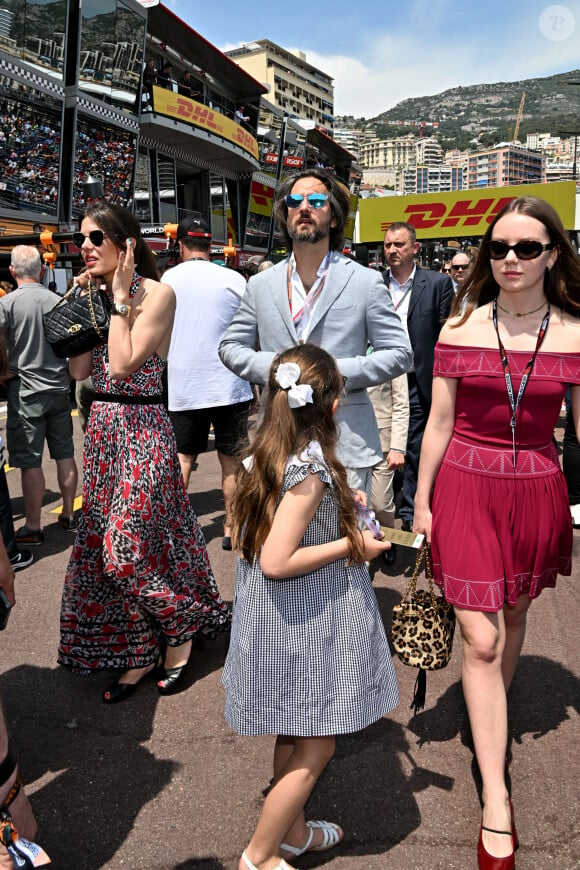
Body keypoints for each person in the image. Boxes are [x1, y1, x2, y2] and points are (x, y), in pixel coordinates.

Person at [413, 195, 580, 870]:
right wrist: (421, 504)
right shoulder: (459, 324)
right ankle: (497, 796)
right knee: (480, 638)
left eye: (527, 248)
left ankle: (490, 711)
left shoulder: (574, 332)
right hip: (464, 485)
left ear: (553, 254)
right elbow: (440, 423)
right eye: (499, 247)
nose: (510, 259)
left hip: (537, 487)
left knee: (511, 615)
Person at [222, 344, 399, 870]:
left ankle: (292, 832)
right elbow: (278, 559)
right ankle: (259, 855)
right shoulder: (311, 466)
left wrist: (347, 506)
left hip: (278, 620)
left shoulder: (266, 451)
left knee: (294, 728)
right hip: (303, 624)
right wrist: (353, 545)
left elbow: (269, 530)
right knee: (317, 748)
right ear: (335, 403)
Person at [58, 203, 230, 703]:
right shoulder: (93, 293)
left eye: (95, 238)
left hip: (146, 429)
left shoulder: (159, 293)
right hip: (104, 433)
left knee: (123, 548)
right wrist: (79, 312)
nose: (84, 247)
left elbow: (126, 364)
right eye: (80, 240)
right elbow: (80, 373)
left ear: (126, 243)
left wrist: (116, 301)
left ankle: (180, 627)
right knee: (128, 545)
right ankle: (138, 649)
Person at [219, 168, 412, 502]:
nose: (304, 207)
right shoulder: (261, 284)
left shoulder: (365, 282)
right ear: (286, 213)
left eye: (316, 200)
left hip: (345, 442)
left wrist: (333, 373)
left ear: (333, 217)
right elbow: (230, 347)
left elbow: (400, 353)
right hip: (278, 440)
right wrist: (278, 368)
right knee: (278, 548)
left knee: (343, 547)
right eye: (295, 201)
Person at [164, 217, 254, 551]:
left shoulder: (167, 279)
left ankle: (175, 531)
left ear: (181, 244)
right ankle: (232, 527)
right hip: (229, 383)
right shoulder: (234, 279)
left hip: (185, 383)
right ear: (211, 245)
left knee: (183, 460)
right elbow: (250, 332)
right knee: (231, 460)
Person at [0, 246, 79, 542]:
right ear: (42, 270)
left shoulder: (7, 303)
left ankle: (33, 525)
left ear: (12, 271)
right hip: (59, 388)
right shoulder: (57, 301)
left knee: (30, 461)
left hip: (26, 391)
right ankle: (69, 513)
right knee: (65, 454)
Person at [382, 222, 454, 530]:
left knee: (414, 447)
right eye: (387, 245)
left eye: (399, 245)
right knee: (382, 446)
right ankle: (382, 508)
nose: (392, 251)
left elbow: (446, 335)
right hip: (380, 379)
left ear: (414, 248)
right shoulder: (374, 283)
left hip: (418, 378)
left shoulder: (437, 284)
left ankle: (411, 512)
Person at [367, 373, 409, 566]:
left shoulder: (390, 352)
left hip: (382, 446)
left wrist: (398, 447)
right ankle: (359, 551)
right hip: (347, 445)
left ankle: (388, 539)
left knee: (381, 504)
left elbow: (401, 403)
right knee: (353, 506)